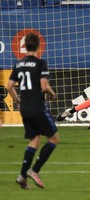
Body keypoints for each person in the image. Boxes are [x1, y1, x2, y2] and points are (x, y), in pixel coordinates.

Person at [7, 33, 59, 189]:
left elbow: (9, 86)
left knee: (34, 140)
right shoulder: (40, 63)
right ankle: (34, 170)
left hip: (25, 108)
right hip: (37, 107)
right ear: (38, 46)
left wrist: (17, 101)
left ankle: (22, 176)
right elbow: (44, 86)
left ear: (25, 47)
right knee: (54, 138)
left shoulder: (18, 64)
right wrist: (52, 94)